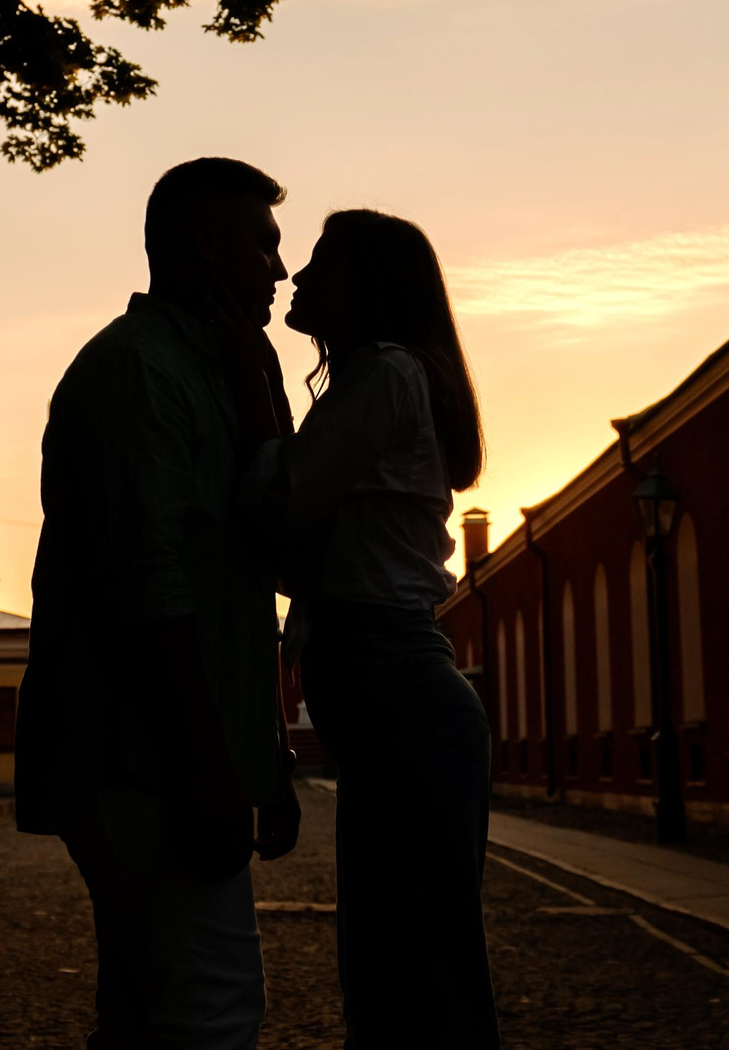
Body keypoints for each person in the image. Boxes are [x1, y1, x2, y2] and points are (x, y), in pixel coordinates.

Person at [16, 157, 304, 1050]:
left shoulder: (211, 370)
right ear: (204, 248)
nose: (281, 271)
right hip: (138, 760)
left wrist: (265, 765)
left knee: (148, 1014)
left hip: (163, 757)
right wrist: (212, 769)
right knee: (210, 1010)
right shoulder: (139, 371)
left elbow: (277, 563)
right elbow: (150, 588)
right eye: (264, 246)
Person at [237, 208, 499, 1049]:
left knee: (413, 968)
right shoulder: (375, 383)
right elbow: (295, 552)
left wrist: (253, 409)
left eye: (321, 260)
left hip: (397, 685)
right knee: (399, 964)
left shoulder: (385, 373)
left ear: (369, 287)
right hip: (390, 689)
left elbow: (277, 509)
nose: (299, 276)